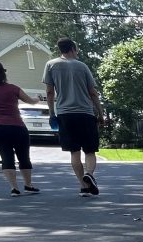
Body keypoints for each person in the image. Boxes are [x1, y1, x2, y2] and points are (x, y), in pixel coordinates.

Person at [43, 37, 104, 196]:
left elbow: (49, 92)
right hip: (85, 113)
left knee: (74, 152)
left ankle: (83, 187)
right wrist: (100, 113)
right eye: (76, 49)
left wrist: (52, 113)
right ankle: (89, 173)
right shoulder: (82, 66)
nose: (77, 52)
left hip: (65, 114)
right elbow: (93, 93)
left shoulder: (51, 65)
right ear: (72, 48)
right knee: (90, 150)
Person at [0, 60, 40, 197]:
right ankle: (28, 185)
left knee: (6, 156)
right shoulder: (13, 88)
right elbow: (30, 101)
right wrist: (37, 99)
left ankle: (14, 188)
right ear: (2, 72)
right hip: (16, 126)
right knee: (24, 156)